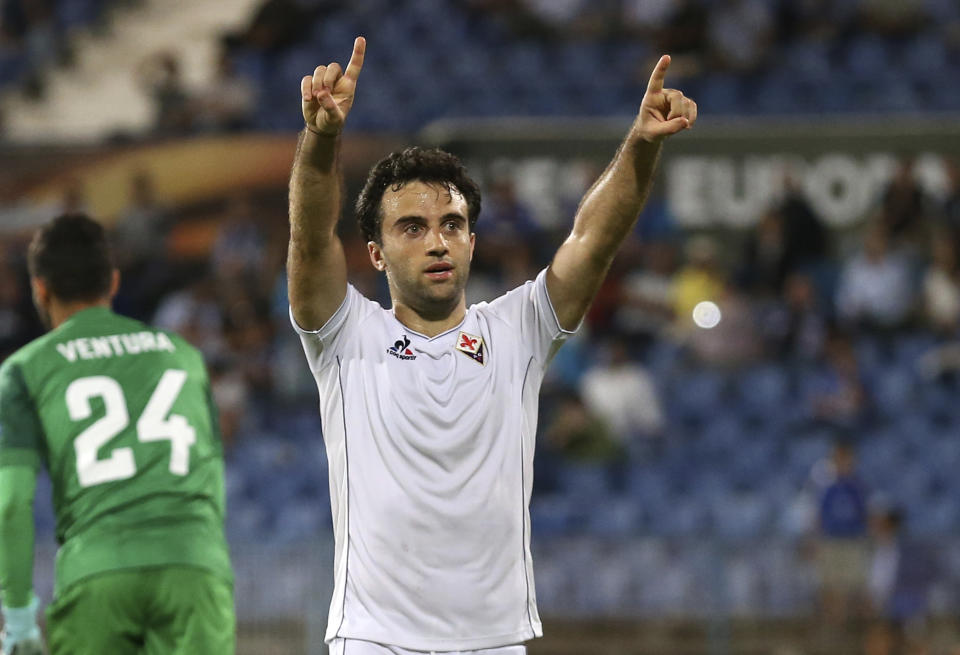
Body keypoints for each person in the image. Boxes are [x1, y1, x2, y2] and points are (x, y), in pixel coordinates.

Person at [287, 36, 696, 653]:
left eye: (452, 225)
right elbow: (311, 236)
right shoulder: (346, 335)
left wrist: (639, 145)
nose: (437, 242)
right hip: (375, 640)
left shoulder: (517, 331)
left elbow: (592, 239)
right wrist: (320, 141)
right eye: (413, 227)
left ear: (473, 243)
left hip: (494, 642)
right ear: (375, 253)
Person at [0, 214, 234, 655]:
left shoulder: (24, 370)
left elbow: (12, 503)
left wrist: (17, 619)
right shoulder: (182, 354)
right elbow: (213, 481)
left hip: (97, 571)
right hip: (194, 567)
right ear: (112, 281)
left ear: (40, 289)